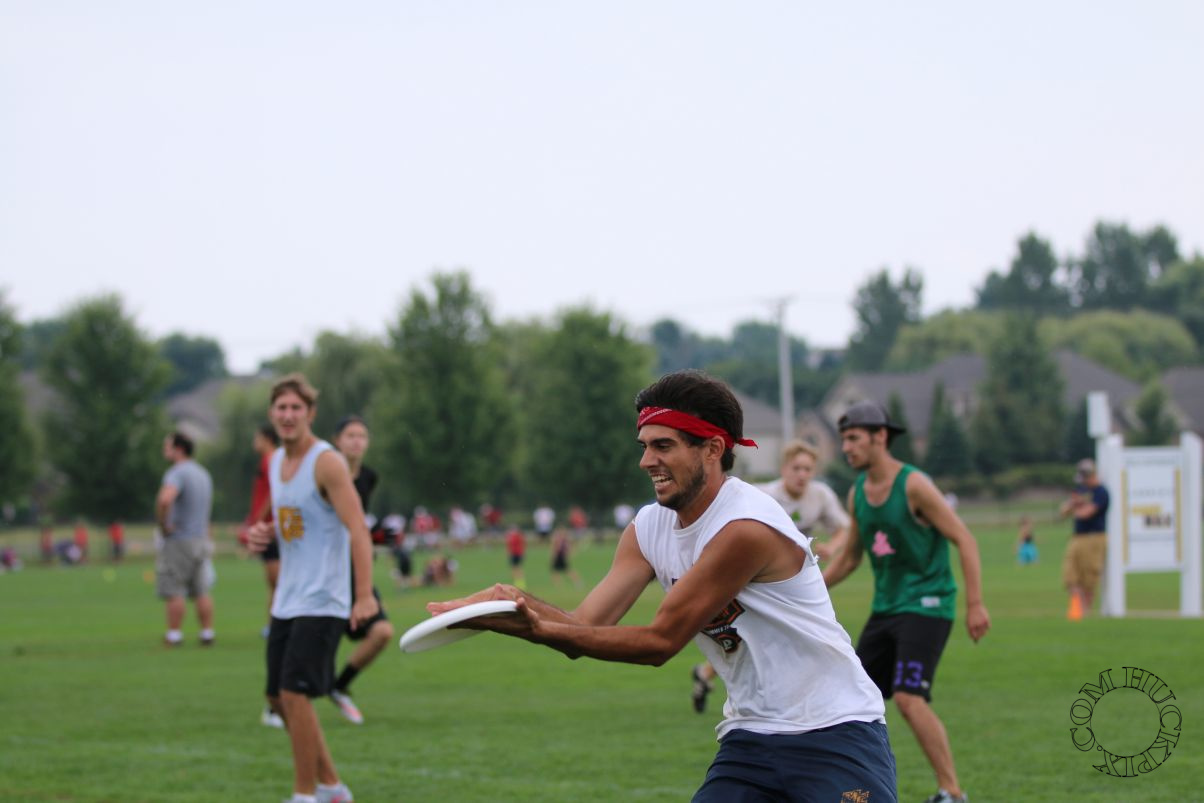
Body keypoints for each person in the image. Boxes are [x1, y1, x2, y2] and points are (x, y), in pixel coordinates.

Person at [428, 371, 896, 802]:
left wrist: (535, 628)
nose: (646, 461)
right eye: (645, 445)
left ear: (713, 449)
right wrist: (508, 602)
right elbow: (585, 625)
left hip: (835, 731)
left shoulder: (744, 528)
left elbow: (659, 642)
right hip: (750, 740)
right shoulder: (649, 528)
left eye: (663, 446)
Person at [823, 401, 990, 803]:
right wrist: (805, 589)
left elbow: (964, 539)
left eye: (853, 439)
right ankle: (855, 790)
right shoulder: (857, 494)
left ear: (880, 437)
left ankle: (952, 792)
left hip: (928, 605)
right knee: (850, 699)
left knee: (909, 699)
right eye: (843, 440)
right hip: (886, 610)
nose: (846, 448)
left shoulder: (913, 485)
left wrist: (975, 604)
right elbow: (850, 557)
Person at [245, 374, 378, 803]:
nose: (288, 415)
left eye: (296, 408)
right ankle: (333, 789)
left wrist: (364, 595)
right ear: (272, 413)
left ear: (310, 413)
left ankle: (305, 796)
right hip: (288, 598)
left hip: (323, 599)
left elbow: (358, 529)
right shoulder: (275, 463)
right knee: (277, 696)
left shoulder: (327, 462)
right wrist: (265, 532)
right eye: (281, 408)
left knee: (294, 693)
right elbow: (295, 520)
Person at [690, 438, 851, 713]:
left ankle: (707, 675)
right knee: (756, 634)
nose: (802, 475)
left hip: (795, 581)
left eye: (808, 469)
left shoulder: (820, 495)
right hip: (758, 578)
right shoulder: (764, 494)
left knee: (788, 633)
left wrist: (832, 547)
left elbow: (844, 528)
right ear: (784, 469)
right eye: (796, 468)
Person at [328, 415, 394, 726]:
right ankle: (277, 701)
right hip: (325, 573)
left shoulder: (369, 477)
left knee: (382, 632)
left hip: (354, 571)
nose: (357, 441)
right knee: (312, 645)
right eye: (350, 435)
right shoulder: (325, 474)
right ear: (337, 440)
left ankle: (338, 687)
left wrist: (374, 535)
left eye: (362, 436)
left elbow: (357, 522)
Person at [155, 431, 216, 647]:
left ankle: (174, 635)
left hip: (179, 540)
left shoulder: (176, 473)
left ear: (179, 449)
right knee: (201, 591)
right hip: (201, 539)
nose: (164, 451)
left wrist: (164, 526)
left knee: (175, 590)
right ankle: (207, 633)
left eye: (168, 446)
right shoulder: (203, 474)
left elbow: (165, 500)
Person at [240, 423, 281, 642]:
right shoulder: (266, 460)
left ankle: (279, 625)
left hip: (272, 528)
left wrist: (258, 519)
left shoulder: (272, 459)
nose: (254, 442)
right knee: (273, 582)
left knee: (278, 581)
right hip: (265, 527)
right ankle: (273, 625)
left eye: (257, 438)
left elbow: (274, 492)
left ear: (267, 439)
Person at [1059, 458, 1109, 621]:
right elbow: (1063, 511)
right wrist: (1074, 503)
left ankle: (1085, 613)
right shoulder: (1081, 490)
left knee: (1089, 578)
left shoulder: (1101, 493)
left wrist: (1078, 505)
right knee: (1070, 575)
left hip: (1094, 538)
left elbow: (1086, 513)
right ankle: (1076, 610)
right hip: (1077, 537)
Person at [505, 523, 526, 588]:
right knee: (516, 568)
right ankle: (518, 583)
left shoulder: (514, 536)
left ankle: (519, 583)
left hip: (516, 553)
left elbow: (512, 544)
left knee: (516, 568)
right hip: (516, 553)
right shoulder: (518, 535)